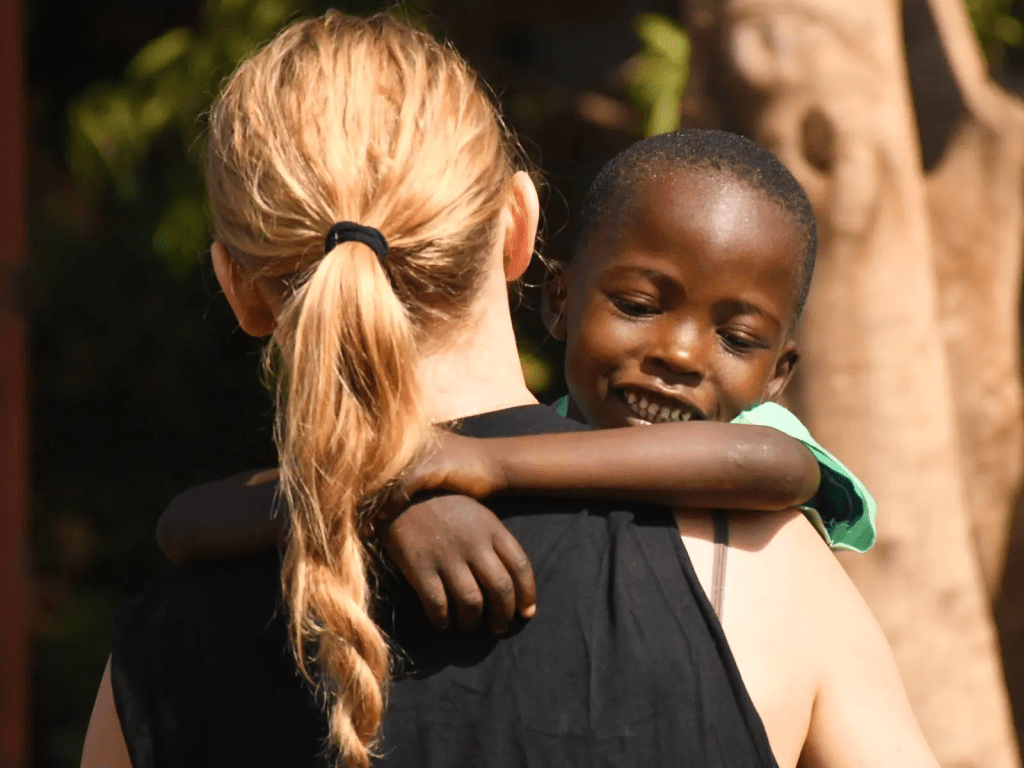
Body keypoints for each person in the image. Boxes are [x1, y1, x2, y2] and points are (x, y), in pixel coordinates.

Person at [81, 11, 938, 768]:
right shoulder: (755, 569)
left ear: (240, 287)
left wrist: (384, 487)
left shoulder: (158, 644)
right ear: (521, 227)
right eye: (641, 304)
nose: (679, 354)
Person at [156, 130, 877, 638]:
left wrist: (483, 465)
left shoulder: (756, 444)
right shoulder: (526, 435)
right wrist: (391, 499)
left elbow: (768, 466)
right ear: (557, 299)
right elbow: (185, 523)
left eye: (738, 339)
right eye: (637, 305)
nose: (681, 354)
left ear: (778, 375)